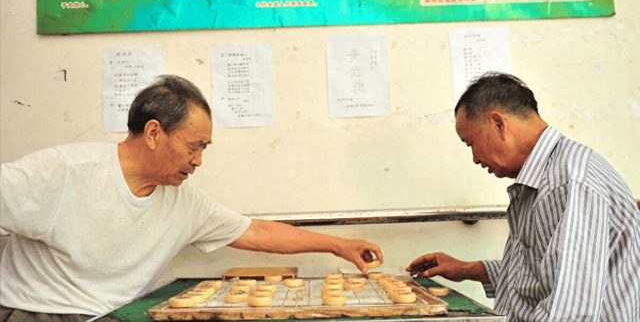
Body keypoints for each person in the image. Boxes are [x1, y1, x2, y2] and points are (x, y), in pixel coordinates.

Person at [0, 75, 383, 322]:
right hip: (38, 312)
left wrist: (340, 245)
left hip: (116, 315)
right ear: (153, 133)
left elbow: (255, 232)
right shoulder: (64, 171)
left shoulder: (183, 202)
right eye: (194, 146)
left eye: (205, 148)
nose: (198, 161)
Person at [406, 73, 640, 321]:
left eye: (471, 143)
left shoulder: (568, 184)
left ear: (498, 124)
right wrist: (466, 269)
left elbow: (570, 312)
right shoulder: (543, 178)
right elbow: (538, 273)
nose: (475, 158)